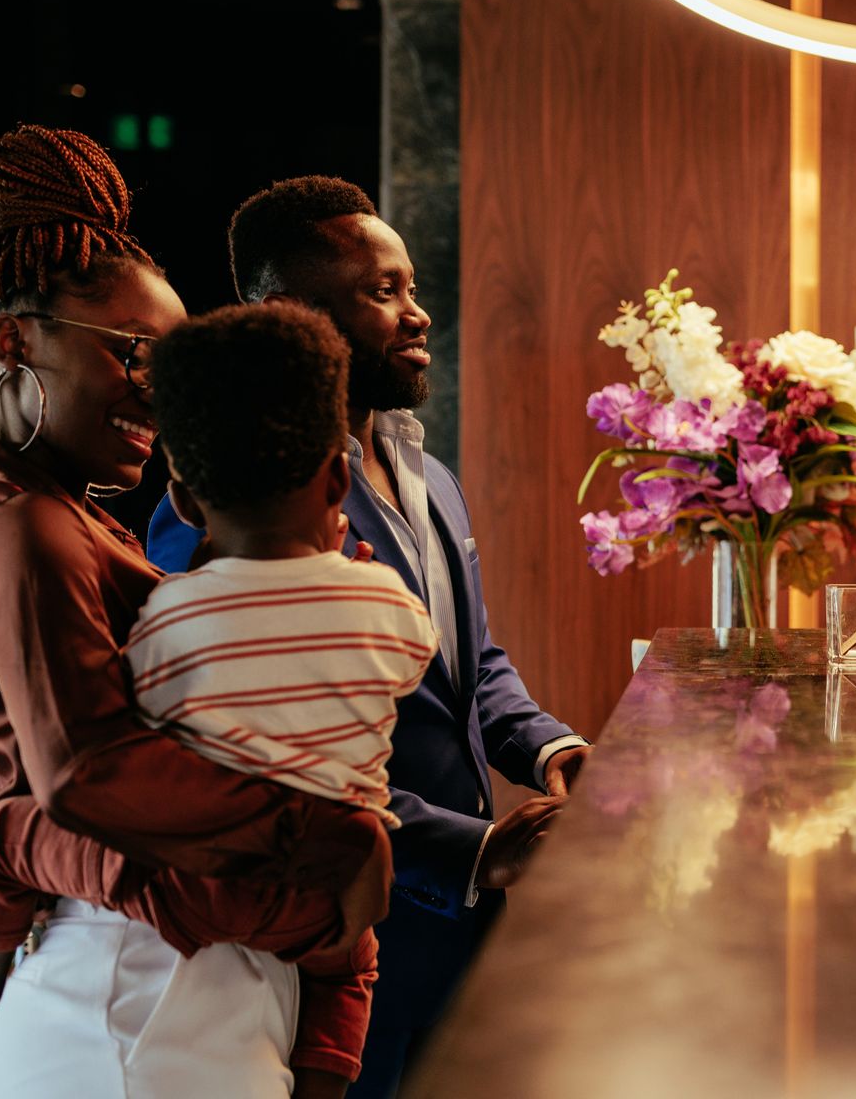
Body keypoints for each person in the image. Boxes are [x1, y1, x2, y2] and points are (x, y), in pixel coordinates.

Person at [0, 124, 393, 1097]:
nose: (158, 398)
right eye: (136, 356)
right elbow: (85, 779)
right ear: (15, 340)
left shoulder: (77, 525)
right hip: (129, 996)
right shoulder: (28, 532)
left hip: (167, 981)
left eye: (169, 372)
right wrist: (324, 848)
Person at [148, 177, 589, 1097]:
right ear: (287, 313)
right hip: (333, 935)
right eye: (381, 292)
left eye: (411, 286)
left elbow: (474, 666)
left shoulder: (429, 472)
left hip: (468, 923)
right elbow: (248, 757)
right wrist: (468, 848)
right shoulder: (220, 511)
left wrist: (554, 748)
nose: (417, 313)